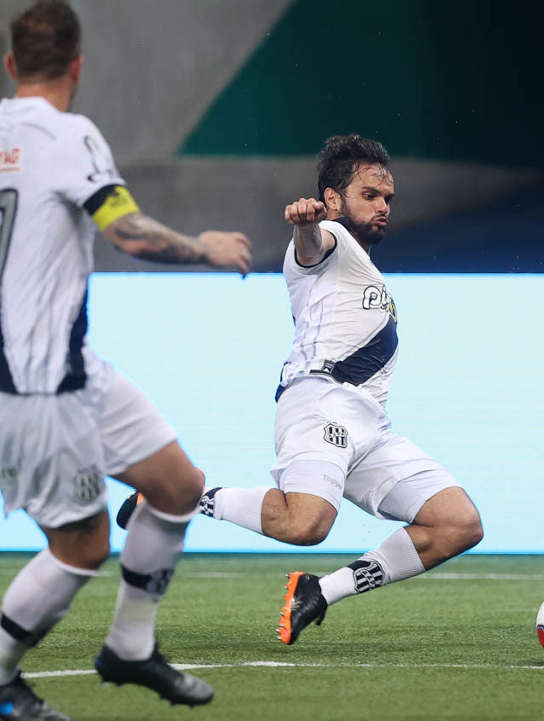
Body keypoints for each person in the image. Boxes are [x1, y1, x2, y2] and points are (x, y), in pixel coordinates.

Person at [0, 2, 252, 717]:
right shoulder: (71, 135)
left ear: (10, 65)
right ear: (78, 66)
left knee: (178, 485)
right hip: (38, 386)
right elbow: (132, 234)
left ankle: (130, 647)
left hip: (71, 370)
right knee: (84, 544)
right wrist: (206, 248)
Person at [117, 134, 483, 645]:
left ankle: (321, 590)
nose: (383, 206)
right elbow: (312, 246)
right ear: (332, 198)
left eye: (387, 197)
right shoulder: (330, 240)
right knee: (304, 525)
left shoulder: (364, 267)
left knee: (458, 523)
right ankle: (181, 495)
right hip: (320, 403)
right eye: (369, 195)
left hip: (370, 427)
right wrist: (306, 225)